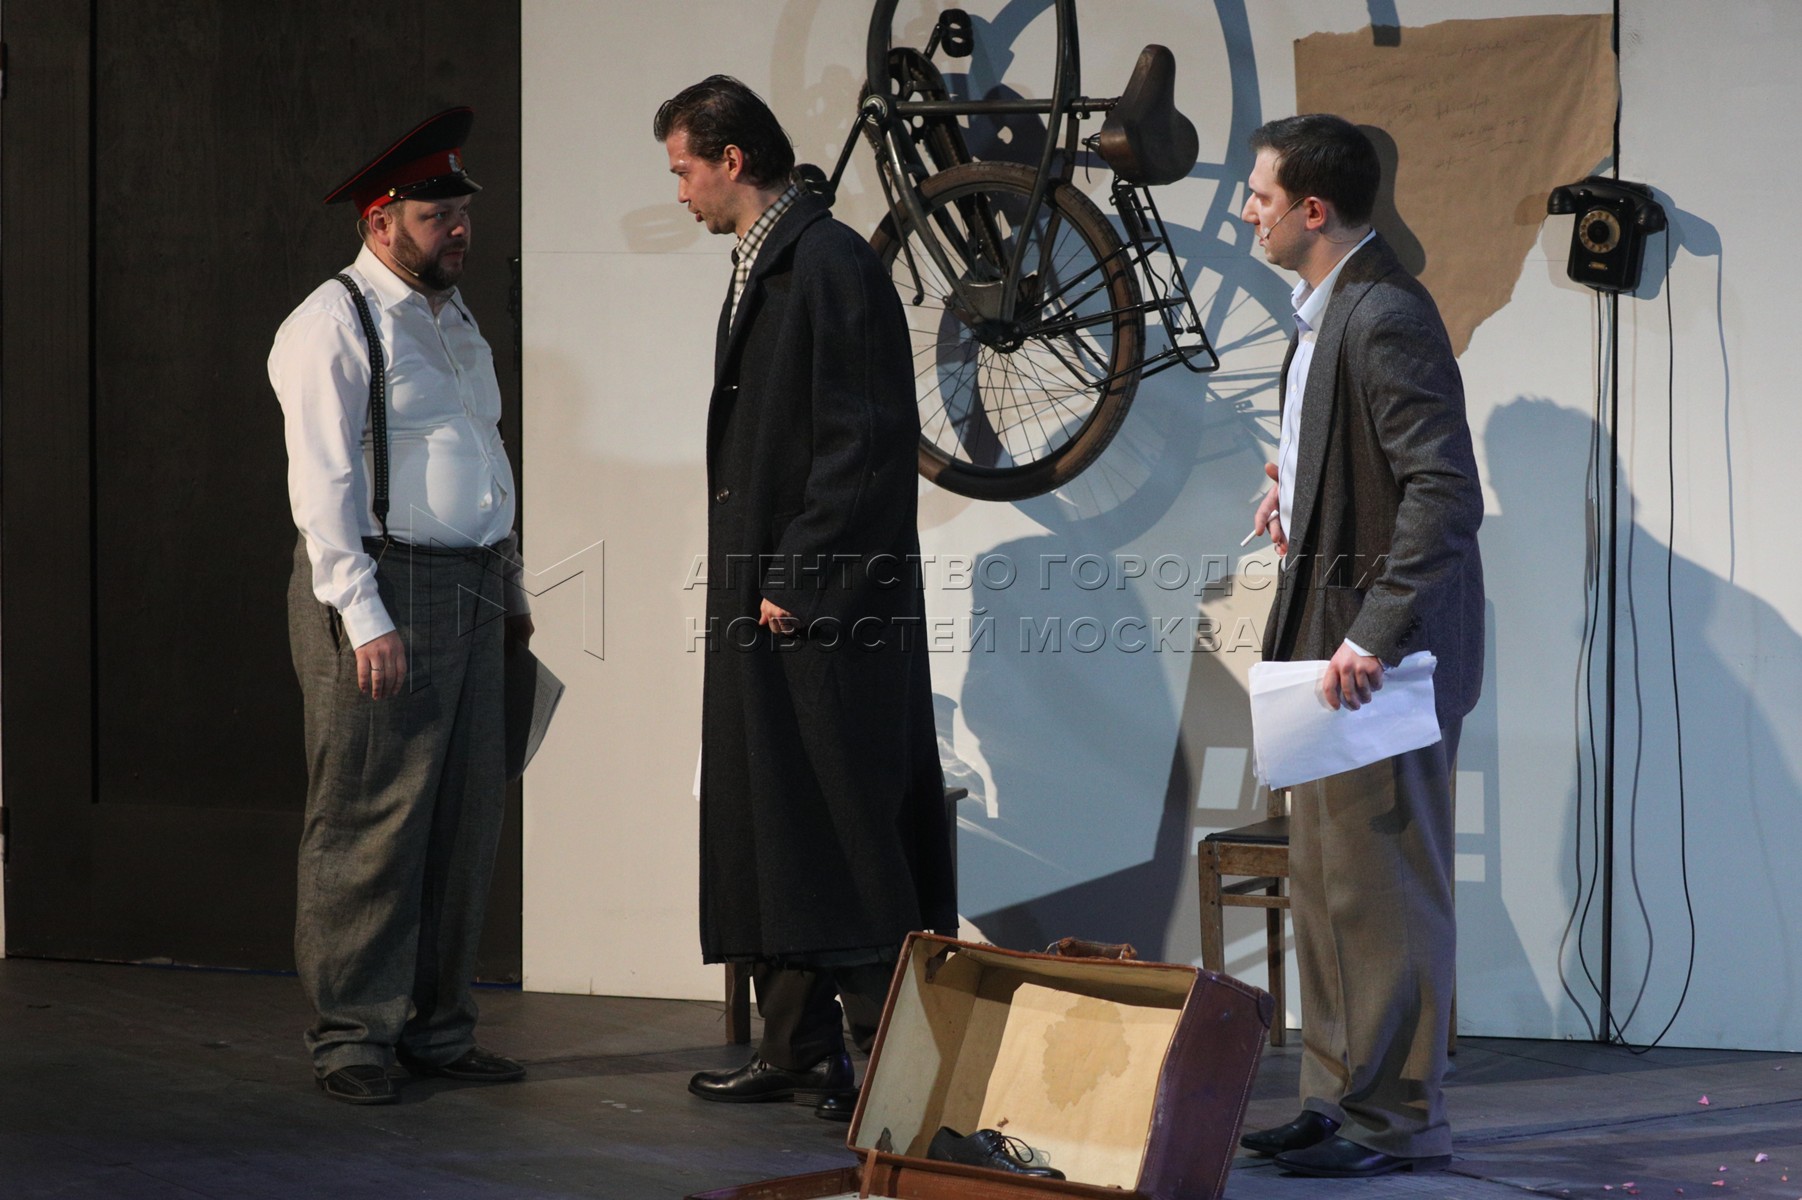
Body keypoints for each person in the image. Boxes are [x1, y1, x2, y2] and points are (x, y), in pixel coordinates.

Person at [653, 76, 956, 1120]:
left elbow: (864, 441)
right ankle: (794, 1048)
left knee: (840, 820)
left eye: (684, 170)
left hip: (821, 604)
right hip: (768, 593)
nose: (681, 193)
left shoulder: (829, 262)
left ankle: (889, 1072)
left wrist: (801, 577)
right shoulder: (773, 260)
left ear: (731, 160)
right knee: (773, 813)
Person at [1235, 114, 1485, 1177]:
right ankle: (1335, 1102)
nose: (1246, 211)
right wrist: (1294, 485)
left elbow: (1443, 492)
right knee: (1329, 887)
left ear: (1312, 209)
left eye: (1259, 195)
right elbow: (1362, 456)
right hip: (1327, 634)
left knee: (1385, 895)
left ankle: (1397, 1121)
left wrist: (1375, 632)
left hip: (1383, 656)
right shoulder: (1326, 310)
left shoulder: (1383, 311)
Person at [269, 108, 532, 1105]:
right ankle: (353, 1036)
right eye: (435, 215)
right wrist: (361, 612)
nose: (457, 229)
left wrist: (510, 583)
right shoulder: (332, 322)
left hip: (473, 585)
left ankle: (439, 1026)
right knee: (370, 821)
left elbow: (482, 455)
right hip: (385, 588)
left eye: (461, 211)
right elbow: (322, 484)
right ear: (379, 221)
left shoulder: (452, 317)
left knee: (465, 820)